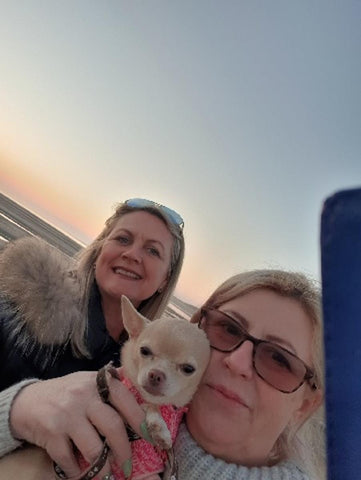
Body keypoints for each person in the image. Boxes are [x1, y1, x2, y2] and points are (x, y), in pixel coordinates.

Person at [0, 269, 325, 480]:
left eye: (279, 360)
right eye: (228, 329)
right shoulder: (97, 395)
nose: (238, 362)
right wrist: (16, 412)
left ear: (306, 404)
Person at [0, 198, 184, 476]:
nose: (133, 254)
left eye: (152, 251)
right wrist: (15, 411)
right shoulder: (18, 310)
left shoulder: (145, 374)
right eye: (123, 239)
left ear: (164, 281)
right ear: (100, 248)